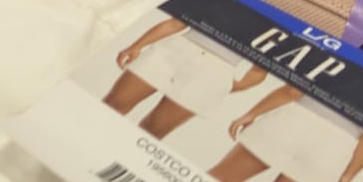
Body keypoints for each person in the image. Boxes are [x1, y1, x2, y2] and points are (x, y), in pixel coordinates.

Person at [206, 83, 363, 182]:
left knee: (216, 180)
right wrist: (348, 175)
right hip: (336, 146)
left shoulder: (347, 51)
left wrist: (251, 114)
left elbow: (293, 91)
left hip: (293, 120)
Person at [103, 15, 265, 141]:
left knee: (153, 130)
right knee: (114, 104)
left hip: (217, 69)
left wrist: (228, 85)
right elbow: (176, 22)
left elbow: (260, 70)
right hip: (175, 50)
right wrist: (137, 45)